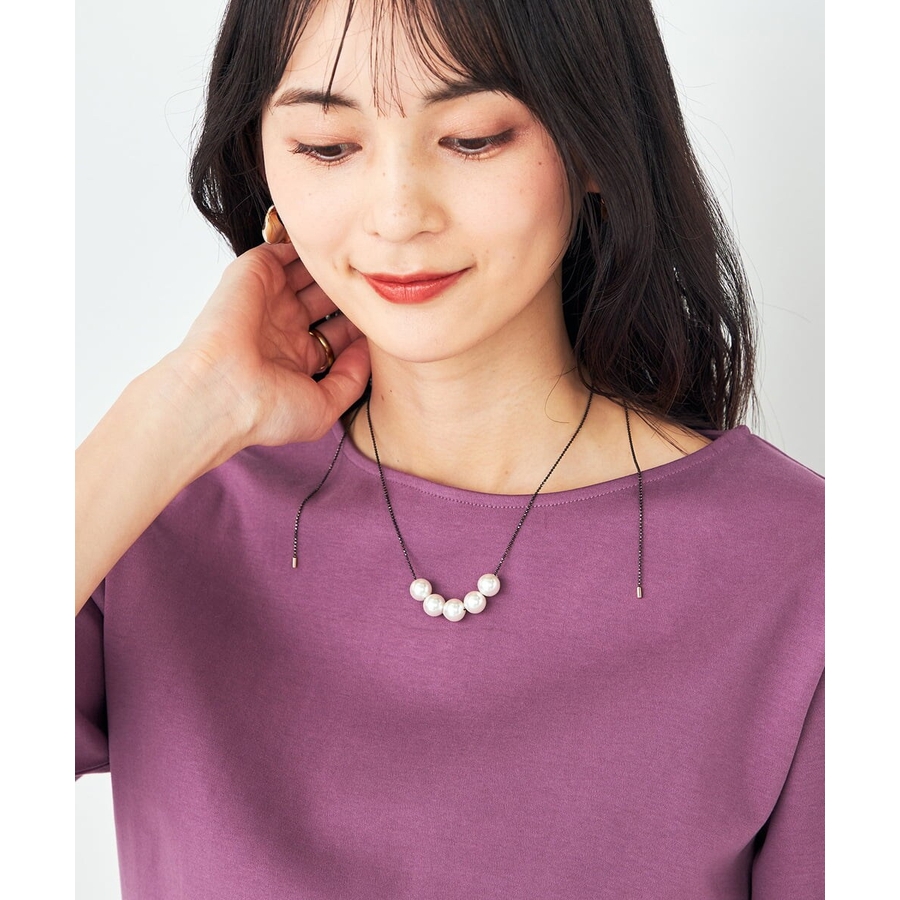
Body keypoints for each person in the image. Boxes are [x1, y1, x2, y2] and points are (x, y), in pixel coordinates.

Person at [75, 0, 824, 897]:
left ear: (596, 143)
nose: (398, 215)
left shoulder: (806, 568)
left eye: (473, 139)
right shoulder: (149, 506)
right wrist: (175, 409)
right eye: (327, 147)